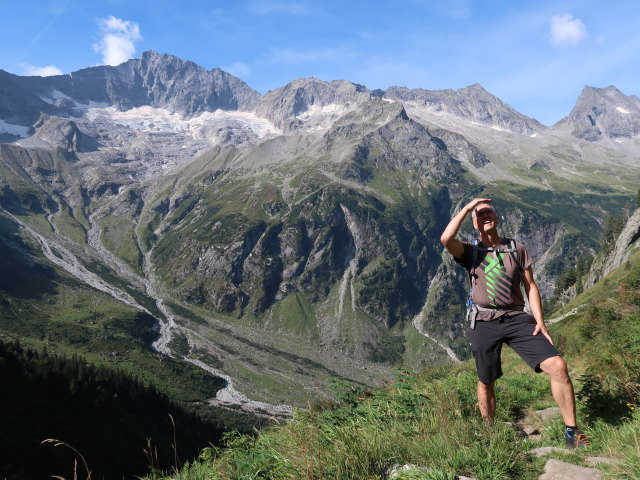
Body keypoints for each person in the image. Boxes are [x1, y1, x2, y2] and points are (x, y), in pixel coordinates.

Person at [440, 197, 588, 448]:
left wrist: (540, 321)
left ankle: (572, 433)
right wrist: (467, 208)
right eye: (480, 214)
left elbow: (530, 286)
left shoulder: (516, 249)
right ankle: (489, 433)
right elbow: (445, 239)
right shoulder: (470, 251)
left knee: (558, 366)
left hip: (518, 317)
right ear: (474, 222)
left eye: (489, 212)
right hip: (484, 319)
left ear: (497, 218)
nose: (485, 216)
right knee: (486, 381)